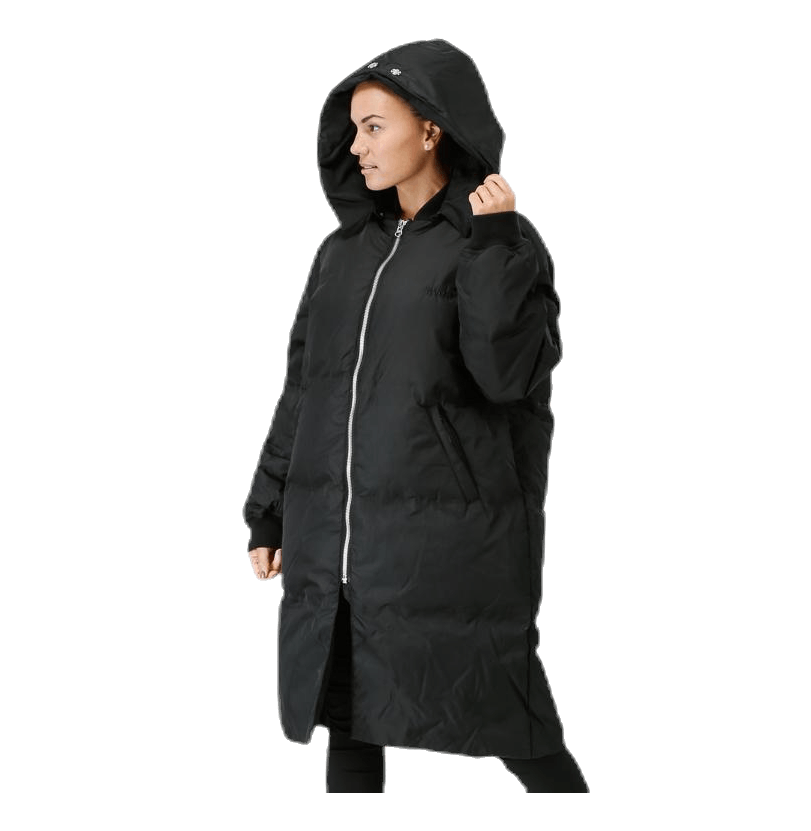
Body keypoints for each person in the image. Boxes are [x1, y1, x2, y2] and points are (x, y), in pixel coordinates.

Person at [243, 39, 588, 793]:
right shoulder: (341, 251)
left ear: (431, 129)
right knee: (349, 721)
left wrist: (493, 247)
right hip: (336, 537)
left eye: (374, 127)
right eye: (352, 130)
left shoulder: (499, 238)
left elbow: (508, 377)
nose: (355, 147)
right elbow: (303, 388)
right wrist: (268, 510)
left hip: (446, 539)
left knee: (514, 724)